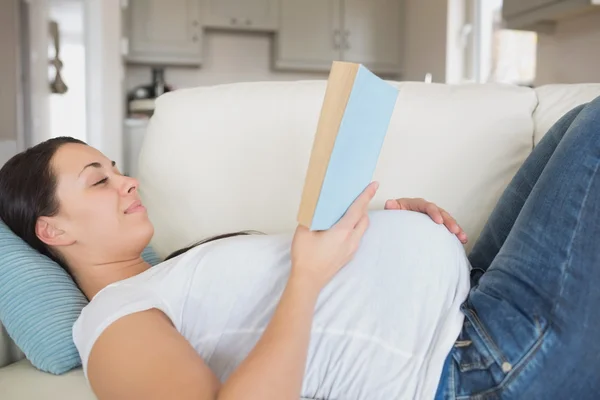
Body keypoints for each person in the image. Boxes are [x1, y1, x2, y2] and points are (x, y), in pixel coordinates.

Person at [0, 96, 598, 400]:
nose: (127, 180)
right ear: (53, 231)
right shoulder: (111, 321)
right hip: (479, 364)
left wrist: (384, 227)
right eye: (99, 181)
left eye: (116, 168)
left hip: (470, 291)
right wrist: (306, 279)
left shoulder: (174, 267)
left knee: (573, 122)